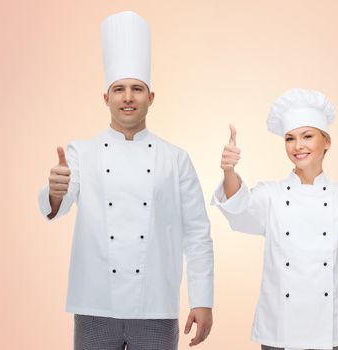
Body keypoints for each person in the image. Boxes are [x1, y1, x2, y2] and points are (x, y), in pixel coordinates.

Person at [38, 11, 213, 350]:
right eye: (119, 89)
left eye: (137, 89)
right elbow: (57, 204)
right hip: (94, 304)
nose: (128, 97)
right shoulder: (81, 153)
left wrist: (202, 299)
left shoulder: (176, 158)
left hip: (156, 305)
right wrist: (55, 192)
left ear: (151, 97)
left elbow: (197, 233)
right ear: (106, 98)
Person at [211, 88, 338, 350]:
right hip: (280, 327)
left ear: (327, 141)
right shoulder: (271, 194)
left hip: (334, 330)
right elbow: (240, 213)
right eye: (290, 138)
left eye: (307, 136)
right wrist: (229, 171)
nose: (298, 146)